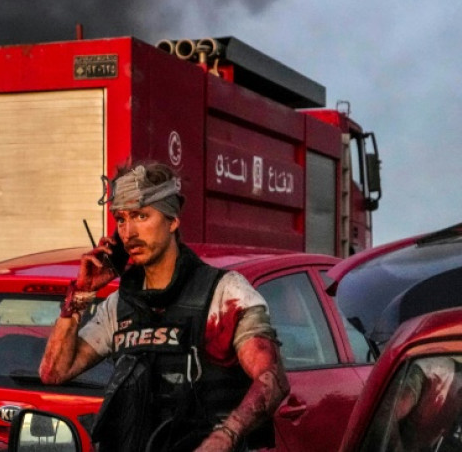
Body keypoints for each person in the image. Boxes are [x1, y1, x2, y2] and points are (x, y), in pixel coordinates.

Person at [40, 162, 289, 452]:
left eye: (141, 216)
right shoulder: (122, 304)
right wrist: (81, 294)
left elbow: (273, 380)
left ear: (172, 221)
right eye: (121, 220)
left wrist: (225, 437)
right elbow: (54, 372)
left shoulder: (224, 293)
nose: (128, 232)